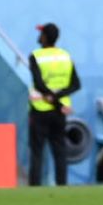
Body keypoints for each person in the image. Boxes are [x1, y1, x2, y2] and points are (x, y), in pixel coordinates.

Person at [28, 22, 81, 186]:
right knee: (60, 150)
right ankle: (62, 186)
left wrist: (51, 98)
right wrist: (59, 100)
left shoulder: (36, 56)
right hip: (61, 112)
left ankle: (35, 187)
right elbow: (75, 84)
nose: (39, 36)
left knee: (37, 151)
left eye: (41, 33)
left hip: (40, 109)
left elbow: (38, 84)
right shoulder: (65, 56)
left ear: (44, 37)